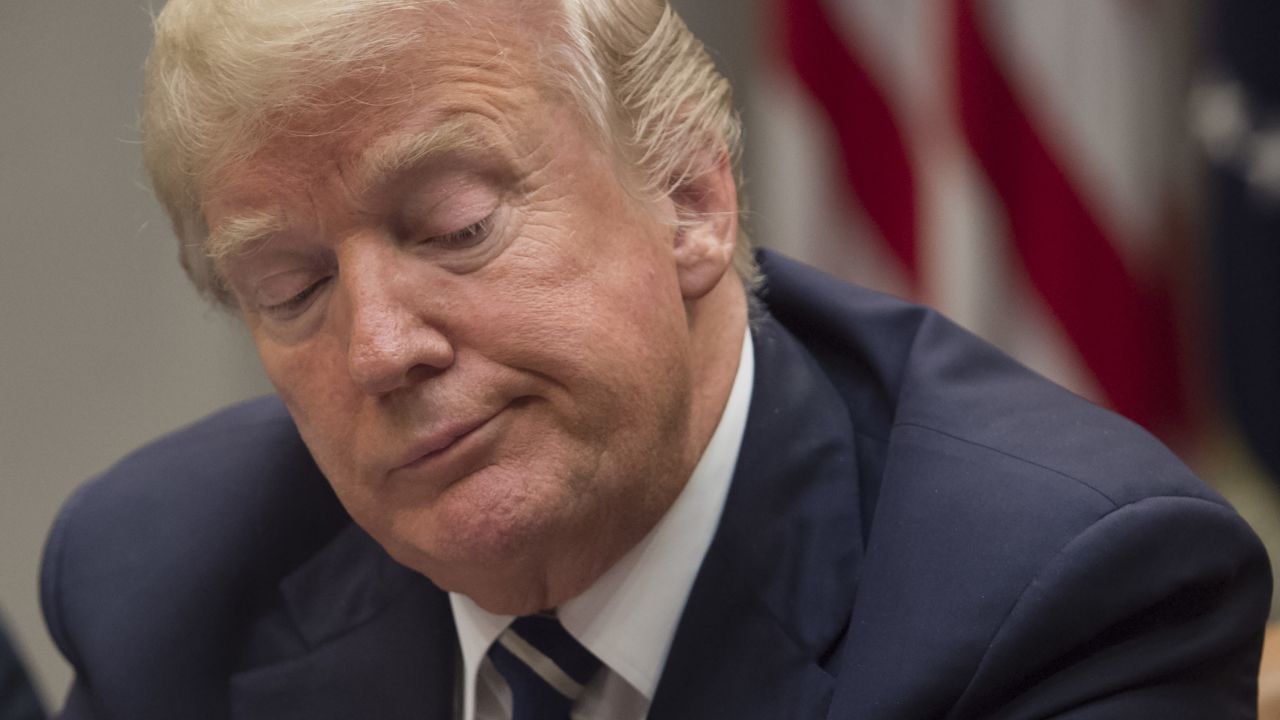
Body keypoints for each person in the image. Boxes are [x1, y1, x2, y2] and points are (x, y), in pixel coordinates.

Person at [40, 0, 1270, 718]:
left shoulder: (1062, 594)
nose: (378, 349)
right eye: (293, 289)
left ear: (689, 196)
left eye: (456, 229)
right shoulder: (164, 581)